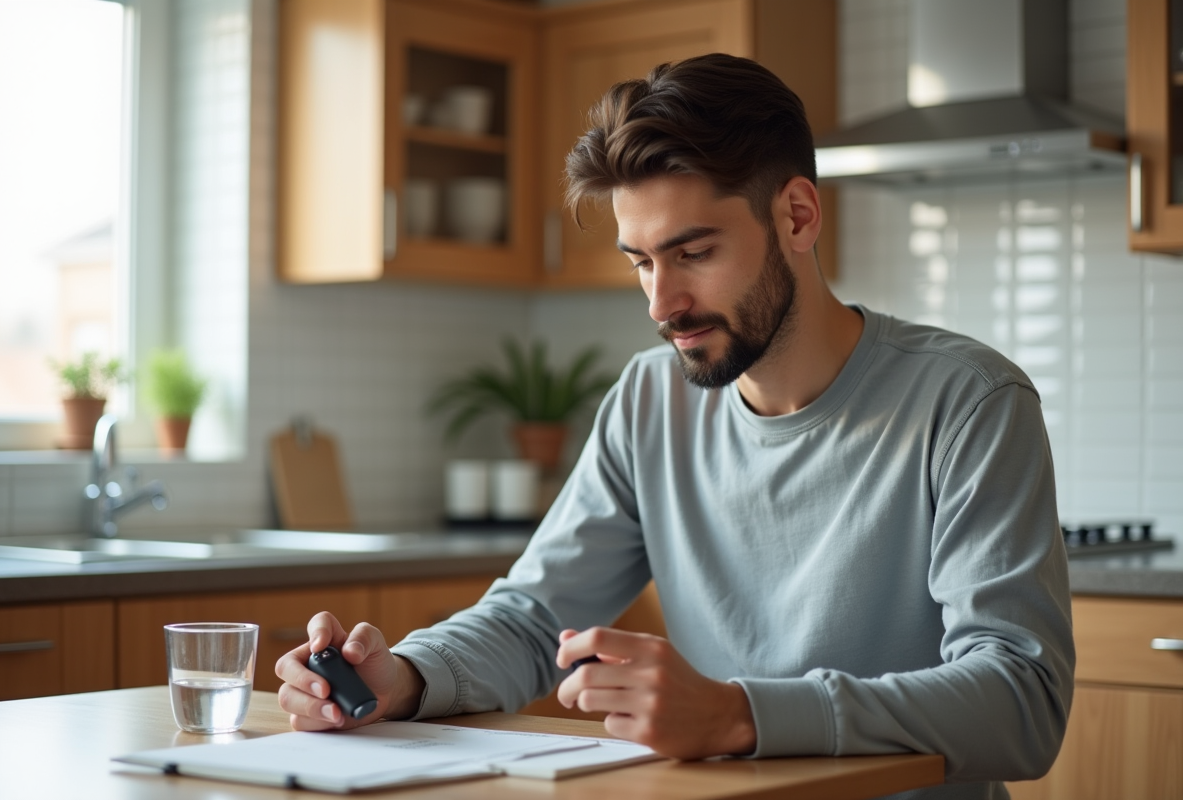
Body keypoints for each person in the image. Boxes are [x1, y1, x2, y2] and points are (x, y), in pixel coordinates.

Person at [277, 54, 1073, 798]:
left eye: (692, 252)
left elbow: (1020, 698)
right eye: (641, 262)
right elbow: (532, 622)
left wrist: (741, 714)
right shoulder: (649, 400)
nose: (661, 305)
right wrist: (406, 677)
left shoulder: (969, 401)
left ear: (797, 217)